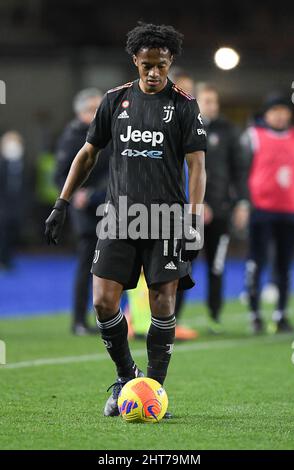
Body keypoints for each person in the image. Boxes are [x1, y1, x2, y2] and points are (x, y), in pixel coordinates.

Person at [45, 22, 207, 418]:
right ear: (135, 60)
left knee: (163, 303)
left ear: (170, 63)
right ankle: (126, 376)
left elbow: (197, 167)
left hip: (167, 217)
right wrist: (62, 202)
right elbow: (87, 154)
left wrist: (193, 220)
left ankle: (153, 390)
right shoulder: (114, 100)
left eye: (162, 66)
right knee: (102, 301)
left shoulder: (184, 105)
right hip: (119, 216)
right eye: (147, 64)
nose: (154, 73)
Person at [242, 94, 294, 333]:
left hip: (291, 210)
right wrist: (243, 202)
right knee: (257, 262)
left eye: (284, 110)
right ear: (266, 114)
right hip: (261, 209)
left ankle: (281, 315)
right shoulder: (253, 136)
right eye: (274, 110)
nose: (280, 114)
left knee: (285, 265)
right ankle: (255, 315)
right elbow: (241, 171)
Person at [55, 88, 109, 335]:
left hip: (109, 207)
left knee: (113, 267)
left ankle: (113, 318)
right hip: (86, 212)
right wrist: (76, 194)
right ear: (80, 112)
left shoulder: (107, 133)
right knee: (88, 265)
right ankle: (78, 321)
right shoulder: (73, 136)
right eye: (92, 109)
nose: (98, 113)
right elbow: (60, 174)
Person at [195, 83, 249, 332]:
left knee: (216, 267)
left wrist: (241, 203)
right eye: (207, 101)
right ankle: (172, 320)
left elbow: (239, 171)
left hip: (221, 212)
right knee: (181, 267)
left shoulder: (228, 131)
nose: (212, 106)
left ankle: (213, 317)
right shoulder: (186, 127)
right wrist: (196, 202)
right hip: (191, 213)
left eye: (214, 101)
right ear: (197, 102)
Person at [0, 131, 25, 270]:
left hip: (16, 207)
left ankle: (8, 258)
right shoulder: (2, 164)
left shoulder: (21, 164)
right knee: (3, 233)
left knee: (12, 233)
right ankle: (3, 260)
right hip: (3, 206)